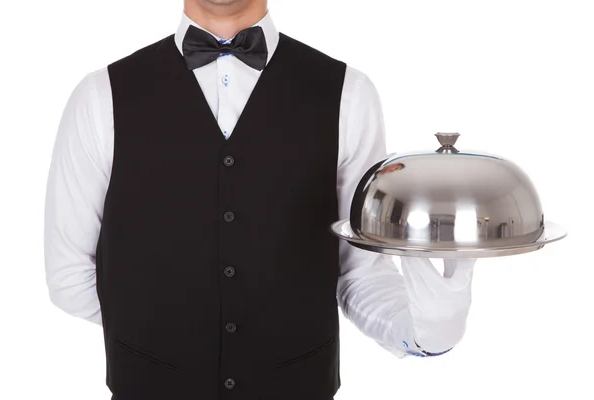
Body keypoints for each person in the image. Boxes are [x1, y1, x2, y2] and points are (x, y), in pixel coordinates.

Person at [43, 0, 477, 399]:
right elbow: (70, 277)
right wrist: (156, 343)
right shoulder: (100, 97)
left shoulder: (349, 94)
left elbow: (357, 272)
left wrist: (424, 330)